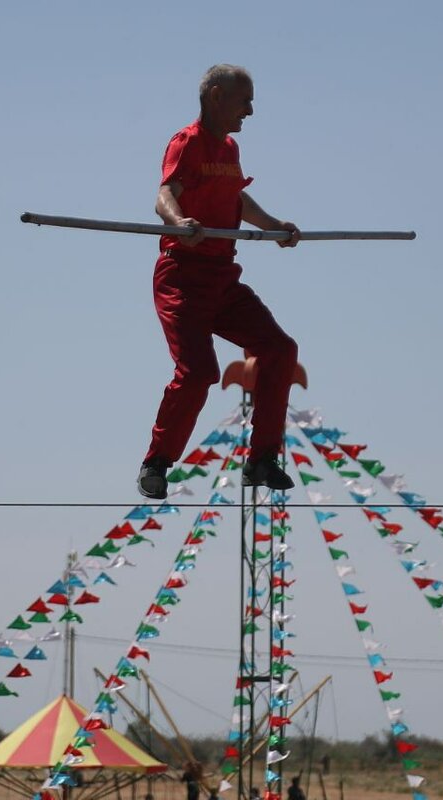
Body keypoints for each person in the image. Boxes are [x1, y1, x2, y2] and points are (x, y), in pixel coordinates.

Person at [137, 64, 301, 501]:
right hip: (182, 278)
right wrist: (179, 221)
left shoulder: (229, 150)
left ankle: (262, 459)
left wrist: (273, 227)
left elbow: (234, 197)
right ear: (215, 96)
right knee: (199, 373)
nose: (249, 110)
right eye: (244, 100)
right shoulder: (186, 141)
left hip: (222, 277)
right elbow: (164, 195)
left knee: (279, 349)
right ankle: (157, 461)